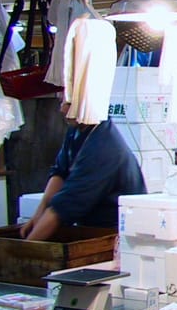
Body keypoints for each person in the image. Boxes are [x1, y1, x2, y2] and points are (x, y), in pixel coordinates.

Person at [21, 102, 146, 240]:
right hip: (88, 227)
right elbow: (60, 172)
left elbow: (65, 205)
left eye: (68, 103)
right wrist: (38, 214)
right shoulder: (76, 130)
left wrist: (26, 246)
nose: (61, 109)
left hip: (116, 234)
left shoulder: (103, 148)